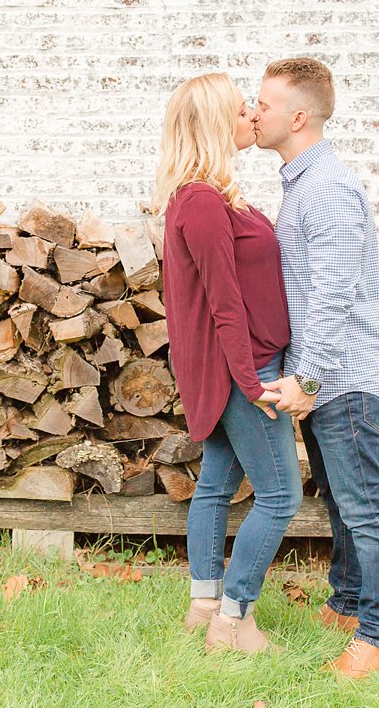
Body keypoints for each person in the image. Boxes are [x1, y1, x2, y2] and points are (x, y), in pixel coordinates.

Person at [251, 56, 379, 679]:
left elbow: (337, 293)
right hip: (327, 380)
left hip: (342, 380)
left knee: (366, 508)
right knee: (344, 507)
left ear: (297, 116)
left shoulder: (328, 189)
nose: (253, 113)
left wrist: (306, 378)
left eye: (263, 104)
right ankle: (347, 607)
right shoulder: (304, 186)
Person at [154, 72, 300, 654]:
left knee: (215, 484)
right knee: (281, 495)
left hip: (244, 366)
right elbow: (222, 303)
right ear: (218, 125)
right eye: (242, 112)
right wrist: (253, 383)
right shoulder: (203, 203)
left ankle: (204, 605)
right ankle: (234, 622)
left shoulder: (207, 196)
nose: (252, 119)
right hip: (246, 370)